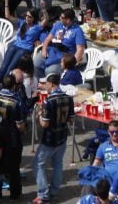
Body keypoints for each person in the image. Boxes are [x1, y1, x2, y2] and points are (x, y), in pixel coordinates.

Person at [34, 73, 74, 202]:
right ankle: (54, 190)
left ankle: (43, 194)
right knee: (57, 164)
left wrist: (40, 114)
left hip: (50, 138)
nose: (45, 86)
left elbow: (44, 123)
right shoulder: (69, 98)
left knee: (38, 164)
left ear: (52, 84)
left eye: (46, 84)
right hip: (62, 136)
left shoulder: (48, 101)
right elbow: (71, 120)